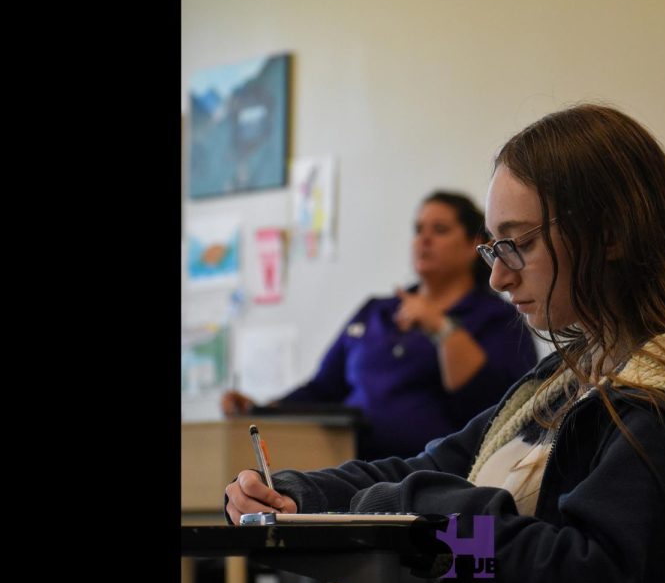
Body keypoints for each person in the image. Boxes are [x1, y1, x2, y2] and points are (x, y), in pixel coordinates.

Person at [224, 104, 665, 583]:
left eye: (517, 243)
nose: (499, 278)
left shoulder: (664, 410)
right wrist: (297, 497)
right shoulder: (566, 379)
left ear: (609, 234)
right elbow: (436, 468)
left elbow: (587, 575)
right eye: (493, 250)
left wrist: (423, 514)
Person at [221, 191, 538, 461]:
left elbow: (498, 408)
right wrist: (259, 409)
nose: (423, 239)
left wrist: (441, 328)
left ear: (476, 243)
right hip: (350, 469)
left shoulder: (498, 318)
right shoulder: (376, 311)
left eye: (440, 229)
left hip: (439, 479)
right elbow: (323, 389)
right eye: (418, 229)